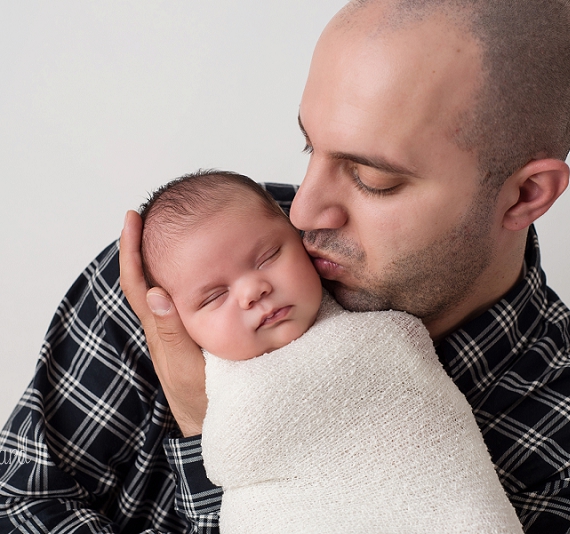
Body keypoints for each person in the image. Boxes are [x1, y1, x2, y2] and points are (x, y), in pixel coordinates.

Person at [0, 1, 570, 533]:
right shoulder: (196, 272)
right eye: (309, 150)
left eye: (372, 179)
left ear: (526, 194)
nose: (307, 211)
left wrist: (207, 429)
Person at [138, 170, 523, 533]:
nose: (253, 290)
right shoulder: (168, 329)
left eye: (268, 257)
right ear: (173, 318)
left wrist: (198, 422)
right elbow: (234, 456)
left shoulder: (368, 321)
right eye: (215, 296)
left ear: (296, 235)